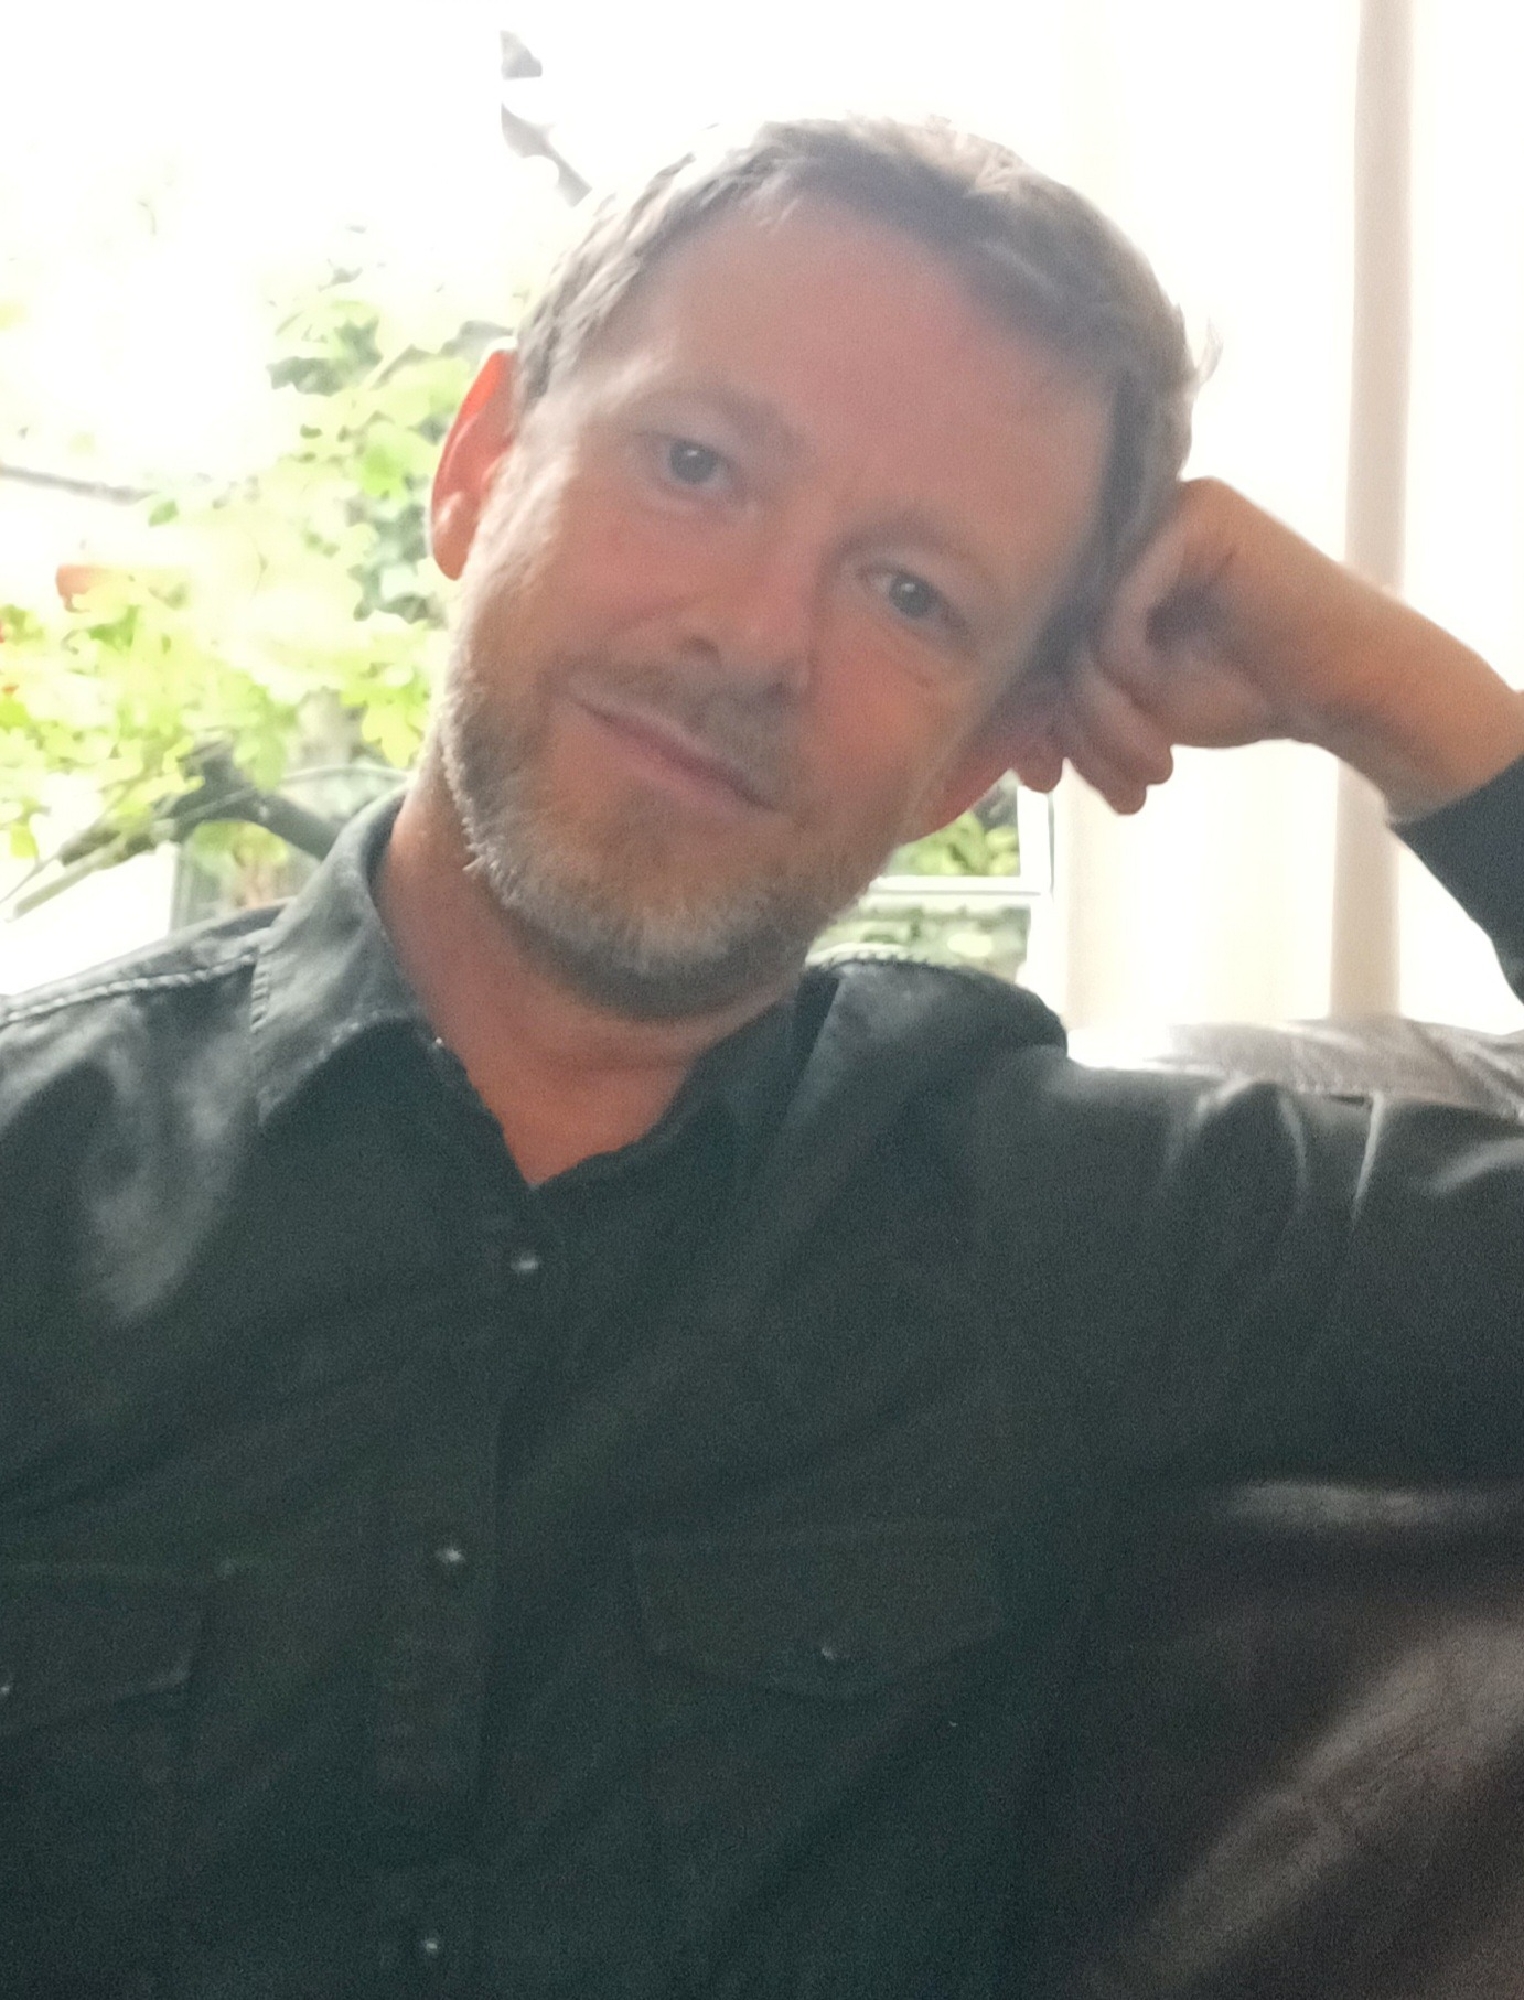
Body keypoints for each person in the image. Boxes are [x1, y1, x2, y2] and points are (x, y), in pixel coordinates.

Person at [4, 114, 1524, 1998]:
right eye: (697, 464)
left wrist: (1402, 696)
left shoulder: (1074, 1224)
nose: (756, 636)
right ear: (478, 471)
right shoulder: (32, 1184)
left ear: (981, 758)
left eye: (914, 595)